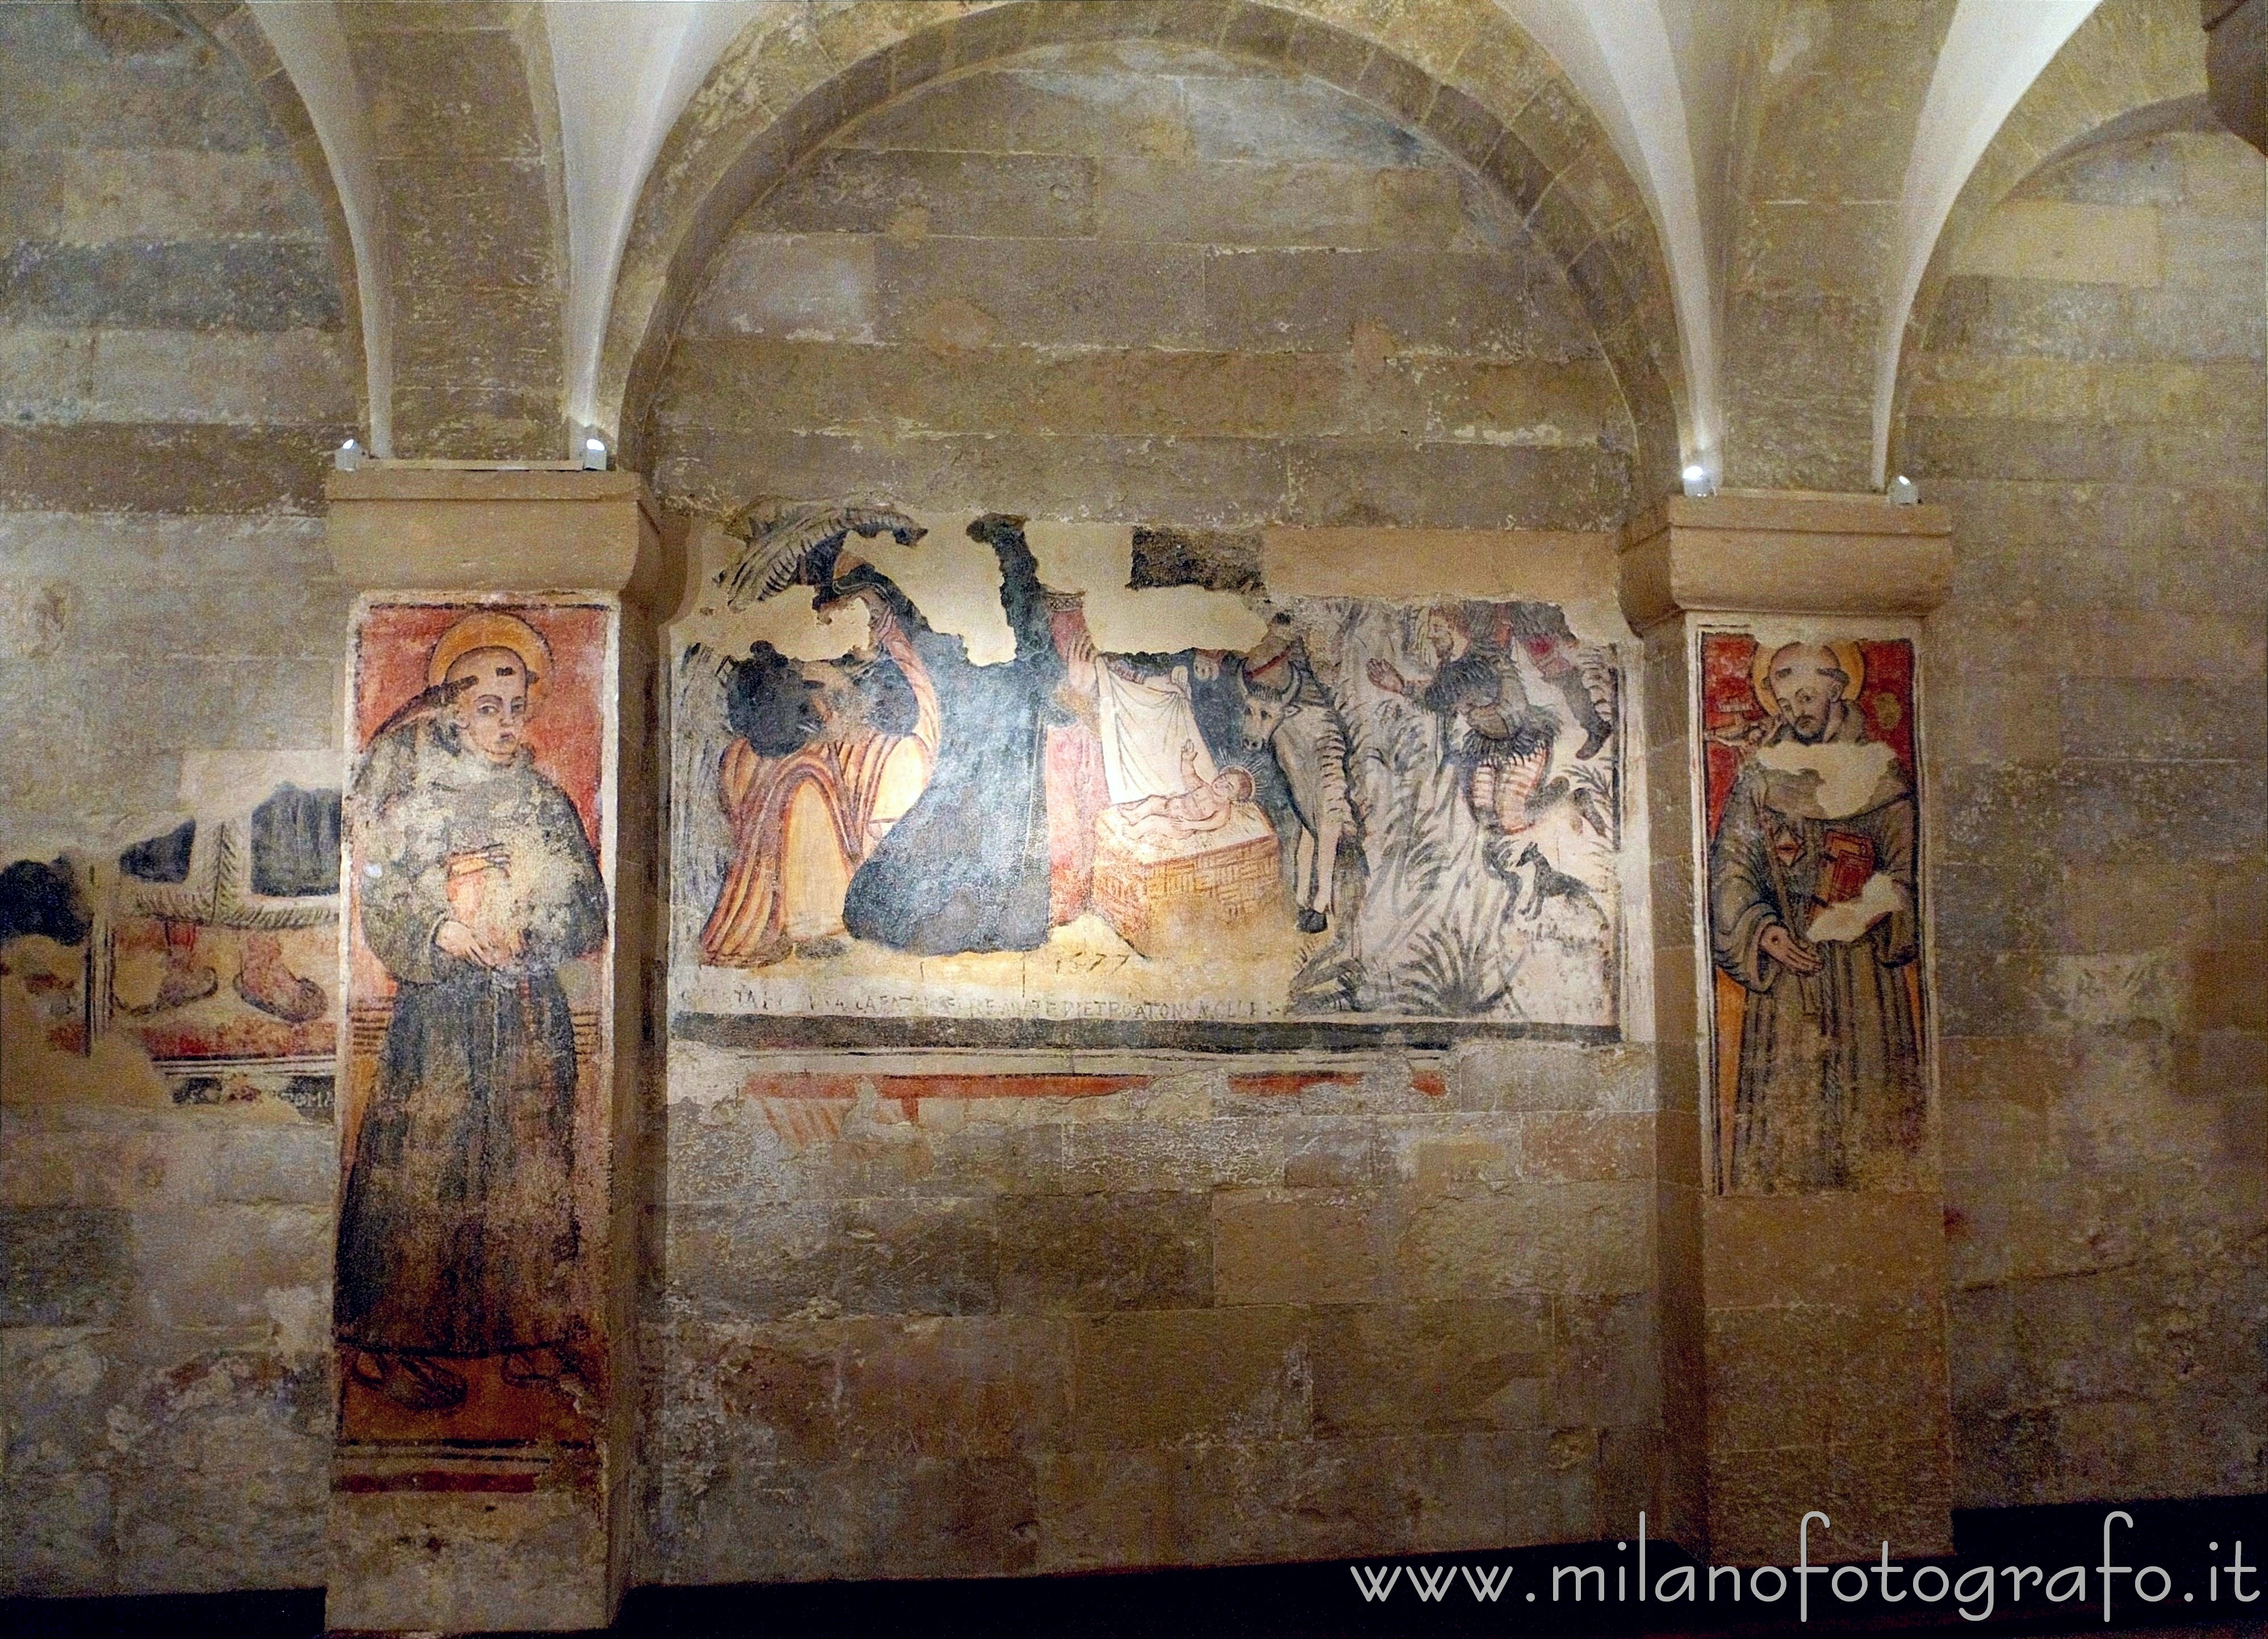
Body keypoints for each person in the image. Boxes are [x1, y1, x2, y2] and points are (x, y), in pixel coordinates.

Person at [336, 612, 607, 1412]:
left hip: (526, 1011)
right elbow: (384, 892)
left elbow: (586, 910)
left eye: (517, 704)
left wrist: (531, 921)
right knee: (419, 1171)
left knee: (530, 1164)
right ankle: (387, 1347)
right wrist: (444, 926)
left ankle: (528, 1336)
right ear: (451, 708)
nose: (505, 722)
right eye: (487, 706)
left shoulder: (544, 802)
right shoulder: (416, 795)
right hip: (443, 1017)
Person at [1708, 640, 1923, 1191]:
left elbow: (1904, 874)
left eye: (1812, 685)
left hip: (1862, 976)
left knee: (1871, 1105)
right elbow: (1731, 868)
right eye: (1783, 683)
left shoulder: (1880, 773)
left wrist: (1869, 909)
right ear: (1771, 694)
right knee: (1786, 1124)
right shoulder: (1759, 778)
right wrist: (1764, 930)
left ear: (1838, 688)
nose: (1799, 699)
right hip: (1785, 975)